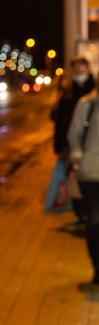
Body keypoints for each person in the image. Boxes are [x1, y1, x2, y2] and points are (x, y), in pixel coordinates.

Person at [50, 55, 95, 227]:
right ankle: (81, 212)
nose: (79, 71)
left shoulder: (93, 92)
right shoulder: (68, 94)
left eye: (81, 67)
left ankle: (90, 211)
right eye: (75, 68)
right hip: (72, 143)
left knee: (90, 179)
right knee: (75, 179)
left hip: (92, 144)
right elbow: (61, 122)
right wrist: (59, 145)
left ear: (88, 69)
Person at [67, 79, 99, 286]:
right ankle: (98, 266)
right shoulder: (87, 103)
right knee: (96, 222)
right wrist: (78, 159)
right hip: (91, 173)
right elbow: (74, 134)